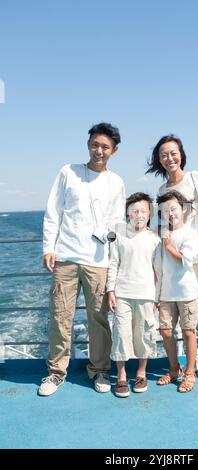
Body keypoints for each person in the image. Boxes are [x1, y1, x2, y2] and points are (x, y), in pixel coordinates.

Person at [38, 122, 126, 396]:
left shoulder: (116, 182)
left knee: (98, 319)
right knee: (60, 316)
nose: (99, 150)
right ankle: (55, 372)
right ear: (88, 144)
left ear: (114, 151)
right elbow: (54, 211)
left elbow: (117, 224)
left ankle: (100, 369)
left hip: (98, 260)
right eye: (95, 144)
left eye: (105, 147)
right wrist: (48, 248)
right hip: (65, 256)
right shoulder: (68, 172)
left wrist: (113, 255)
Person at [146, 134, 198, 387]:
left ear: (181, 154)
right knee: (181, 315)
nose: (169, 158)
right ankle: (191, 363)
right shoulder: (161, 191)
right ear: (158, 160)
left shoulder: (196, 178)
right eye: (163, 155)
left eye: (173, 152)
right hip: (175, 259)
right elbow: (164, 226)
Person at [107, 192, 161, 398]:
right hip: (123, 293)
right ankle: (121, 375)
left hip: (146, 294)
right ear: (127, 214)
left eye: (143, 211)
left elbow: (159, 271)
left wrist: (157, 297)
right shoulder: (119, 235)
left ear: (149, 214)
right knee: (121, 333)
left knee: (144, 333)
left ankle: (141, 372)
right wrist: (110, 290)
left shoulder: (155, 238)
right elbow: (113, 263)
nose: (139, 214)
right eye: (134, 211)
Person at [156, 190, 198, 392]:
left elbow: (185, 260)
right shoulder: (160, 234)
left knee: (188, 332)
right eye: (165, 210)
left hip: (186, 292)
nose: (170, 213)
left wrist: (169, 246)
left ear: (183, 209)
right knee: (165, 331)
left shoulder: (190, 233)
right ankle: (174, 370)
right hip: (165, 293)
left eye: (173, 208)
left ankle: (190, 373)